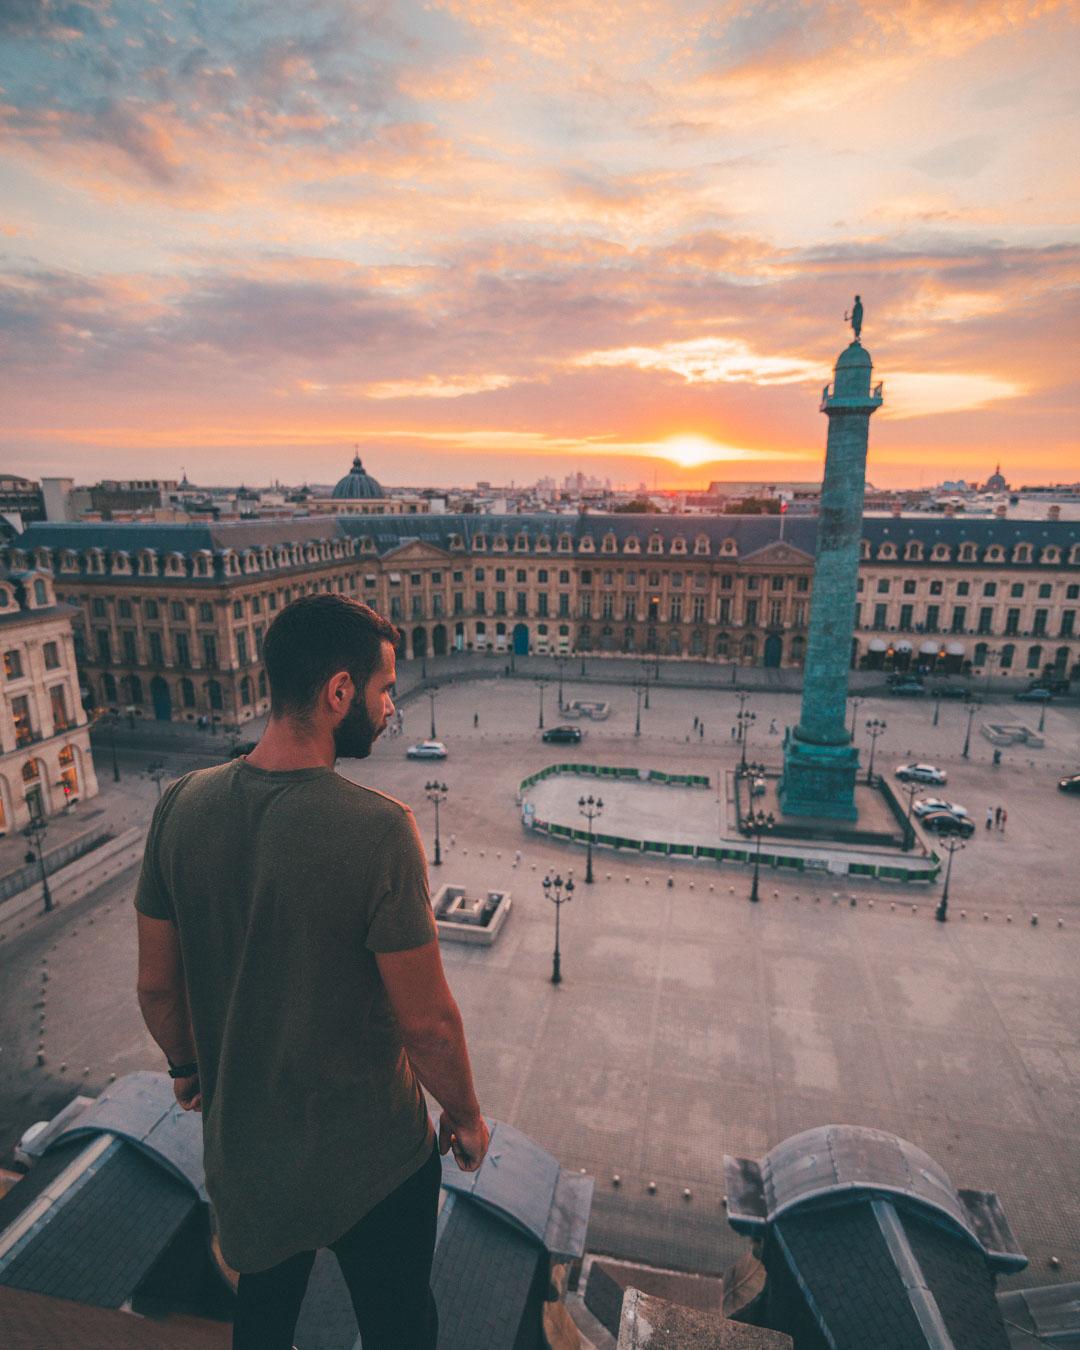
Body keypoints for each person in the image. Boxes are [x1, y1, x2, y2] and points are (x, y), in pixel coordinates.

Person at [135, 595, 487, 1350]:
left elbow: (157, 989)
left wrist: (190, 1064)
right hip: (375, 1159)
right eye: (384, 690)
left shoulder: (179, 808)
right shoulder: (378, 830)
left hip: (250, 1152)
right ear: (337, 693)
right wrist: (464, 1115)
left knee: (262, 1322)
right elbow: (427, 1025)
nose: (390, 709)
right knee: (398, 1327)